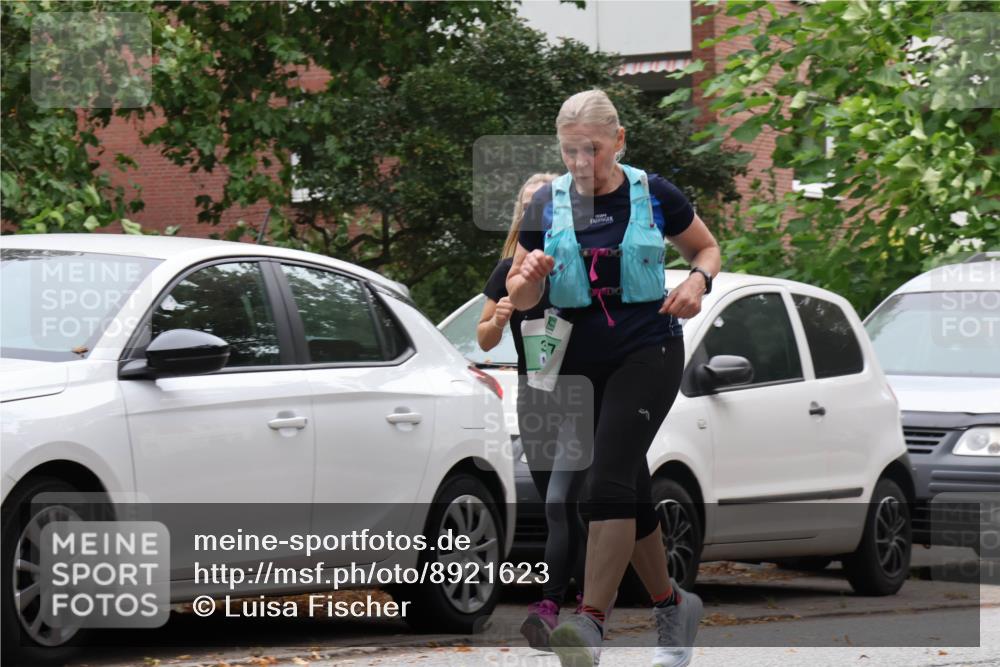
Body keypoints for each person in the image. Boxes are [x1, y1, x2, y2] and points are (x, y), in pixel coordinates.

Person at [507, 89, 721, 667]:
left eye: (593, 150)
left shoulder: (654, 194)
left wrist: (698, 282)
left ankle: (591, 623)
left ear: (619, 140)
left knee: (604, 484)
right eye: (571, 151)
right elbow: (520, 296)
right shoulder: (545, 206)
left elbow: (705, 248)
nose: (582, 163)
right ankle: (673, 605)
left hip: (647, 350)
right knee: (630, 487)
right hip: (576, 361)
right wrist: (529, 276)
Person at [477, 172, 592, 652]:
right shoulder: (506, 270)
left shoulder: (579, 261)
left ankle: (548, 607)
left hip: (577, 394)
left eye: (543, 206)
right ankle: (588, 594)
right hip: (533, 395)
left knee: (558, 501)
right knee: (560, 507)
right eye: (528, 206)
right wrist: (498, 318)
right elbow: (482, 337)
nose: (535, 212)